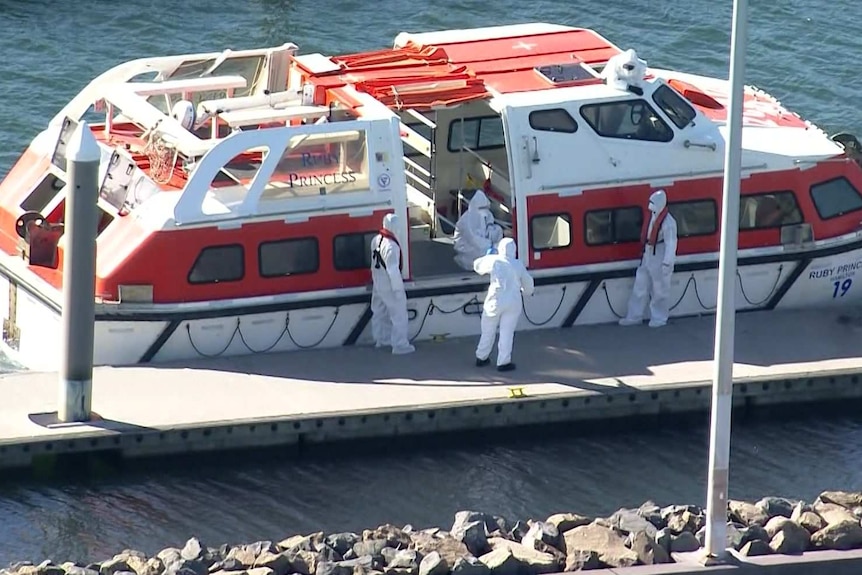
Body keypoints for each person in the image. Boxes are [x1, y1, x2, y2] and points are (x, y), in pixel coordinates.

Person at [473, 237, 535, 371]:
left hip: (494, 300)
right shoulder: (518, 264)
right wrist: (526, 292)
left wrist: (487, 256)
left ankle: (481, 357)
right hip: (513, 302)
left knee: (488, 330)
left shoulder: (494, 260)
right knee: (507, 332)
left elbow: (477, 266)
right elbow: (528, 284)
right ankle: (503, 362)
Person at [619, 190, 678, 328]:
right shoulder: (652, 215)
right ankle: (634, 316)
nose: (650, 205)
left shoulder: (669, 223)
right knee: (640, 285)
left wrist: (667, 263)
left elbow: (671, 244)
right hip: (648, 253)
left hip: (660, 254)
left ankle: (659, 318)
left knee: (660, 289)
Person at [370, 213, 415, 355]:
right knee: (399, 315)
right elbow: (393, 271)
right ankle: (400, 345)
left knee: (379, 312)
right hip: (389, 284)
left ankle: (381, 339)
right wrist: (398, 290)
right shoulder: (391, 246)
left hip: (378, 282)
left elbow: (373, 265)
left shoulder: (376, 240)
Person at [453, 190, 503, 270]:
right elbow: (474, 240)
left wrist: (497, 233)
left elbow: (491, 228)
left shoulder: (485, 215)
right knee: (489, 253)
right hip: (466, 249)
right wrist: (492, 245)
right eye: (482, 208)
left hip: (481, 246)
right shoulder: (466, 220)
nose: (485, 211)